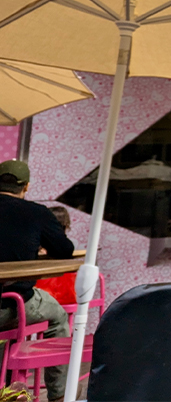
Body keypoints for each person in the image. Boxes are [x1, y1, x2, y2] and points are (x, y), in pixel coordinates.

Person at [0, 160, 74, 402]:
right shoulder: (36, 212)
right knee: (59, 317)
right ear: (26, 186)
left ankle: (8, 386)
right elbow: (65, 250)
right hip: (13, 303)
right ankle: (58, 395)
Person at [35, 207, 79, 305]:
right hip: (68, 294)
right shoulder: (65, 246)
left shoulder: (39, 245)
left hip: (44, 294)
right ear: (66, 225)